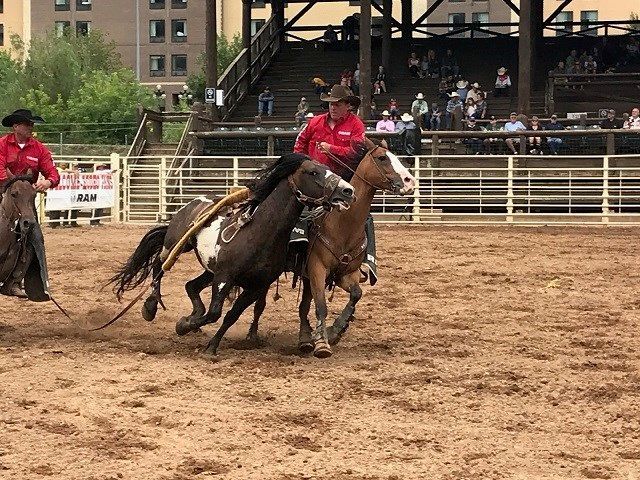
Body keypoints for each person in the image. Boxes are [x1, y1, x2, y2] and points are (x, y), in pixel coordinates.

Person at [0, 109, 60, 296]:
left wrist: (48, 181)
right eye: (27, 124)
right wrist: (12, 183)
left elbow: (53, 173)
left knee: (35, 237)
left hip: (25, 200)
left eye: (31, 124)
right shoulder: (2, 145)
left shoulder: (39, 148)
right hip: (2, 193)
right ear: (16, 126)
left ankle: (17, 280)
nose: (31, 127)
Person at [294, 84, 364, 178]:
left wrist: (331, 149)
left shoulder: (356, 124)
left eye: (337, 105)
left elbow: (356, 153)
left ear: (348, 106)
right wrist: (302, 164)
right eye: (331, 104)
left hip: (344, 176)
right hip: (315, 176)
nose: (333, 108)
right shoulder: (315, 121)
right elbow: (300, 142)